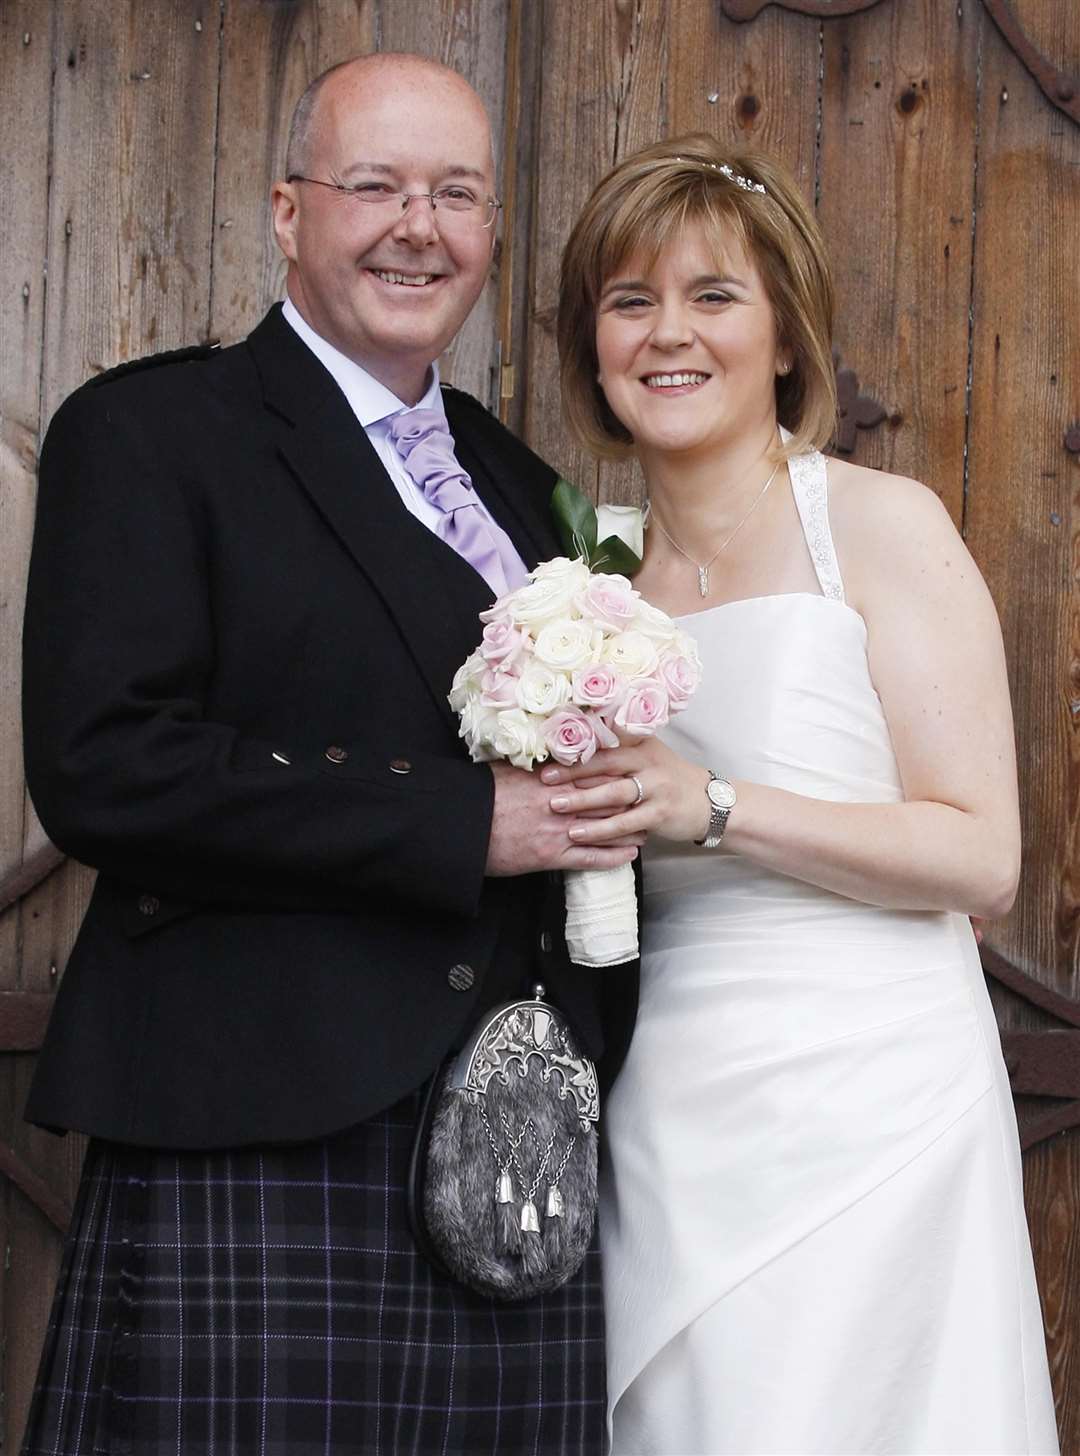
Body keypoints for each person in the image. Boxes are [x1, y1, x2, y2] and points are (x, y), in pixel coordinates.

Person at [19, 53, 639, 1456]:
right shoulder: (154, 434)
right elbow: (106, 767)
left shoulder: (514, 476)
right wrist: (458, 825)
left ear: (489, 234)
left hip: (510, 1143)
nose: (417, 226)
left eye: (456, 194)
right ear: (290, 213)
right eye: (374, 186)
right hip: (267, 1114)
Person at [547, 135, 1060, 1454]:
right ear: (593, 346)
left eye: (713, 295)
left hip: (877, 1102)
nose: (669, 334)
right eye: (629, 301)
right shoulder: (580, 585)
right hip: (671, 1107)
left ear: (785, 336)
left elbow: (979, 857)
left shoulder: (880, 528)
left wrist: (712, 806)